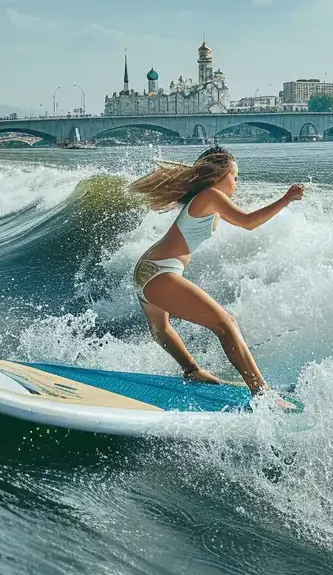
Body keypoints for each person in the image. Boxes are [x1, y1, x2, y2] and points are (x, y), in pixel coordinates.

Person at [129, 147, 302, 399]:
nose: (237, 183)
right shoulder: (211, 195)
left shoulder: (205, 198)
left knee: (161, 328)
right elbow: (248, 222)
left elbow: (242, 219)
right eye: (235, 176)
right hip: (160, 272)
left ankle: (191, 370)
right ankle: (262, 394)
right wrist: (286, 199)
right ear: (219, 175)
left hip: (147, 270)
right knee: (226, 324)